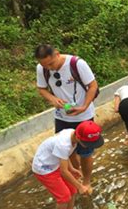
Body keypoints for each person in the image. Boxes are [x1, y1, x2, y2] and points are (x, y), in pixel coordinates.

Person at [35, 44, 98, 189]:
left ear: (57, 54)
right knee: (67, 151)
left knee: (86, 152)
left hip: (84, 117)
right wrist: (52, 99)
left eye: (51, 63)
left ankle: (87, 181)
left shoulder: (77, 64)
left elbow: (93, 86)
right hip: (62, 117)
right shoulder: (42, 68)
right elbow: (41, 88)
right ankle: (76, 176)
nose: (49, 68)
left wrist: (84, 106)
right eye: (45, 66)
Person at [32, 120, 104, 209]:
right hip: (44, 169)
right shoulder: (63, 144)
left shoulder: (72, 134)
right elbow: (63, 172)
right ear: (79, 137)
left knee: (72, 189)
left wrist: (72, 169)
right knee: (64, 196)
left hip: (54, 164)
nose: (90, 146)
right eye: (89, 143)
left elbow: (65, 157)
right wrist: (80, 186)